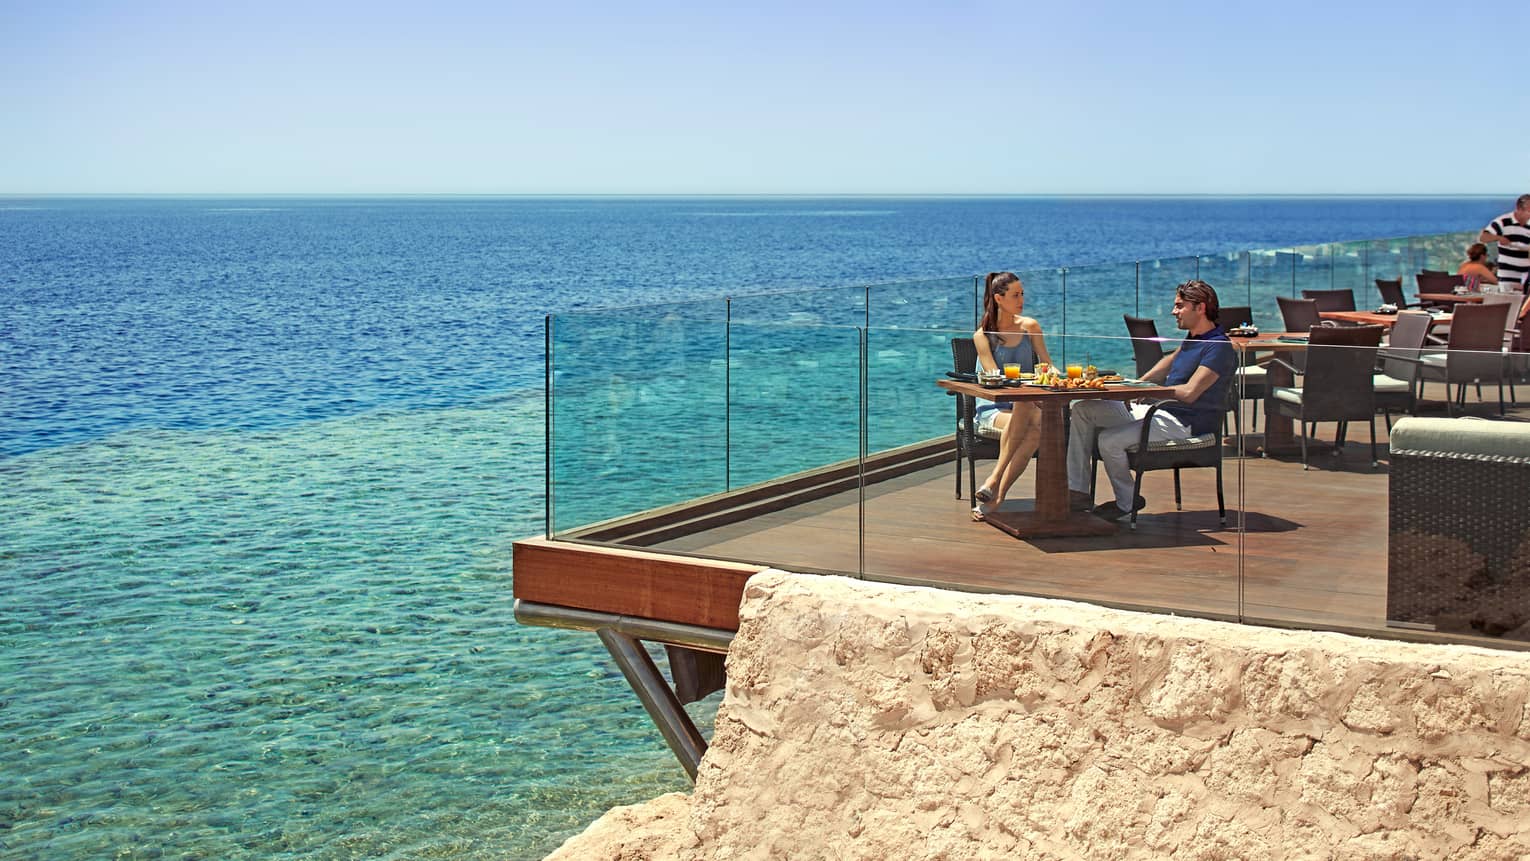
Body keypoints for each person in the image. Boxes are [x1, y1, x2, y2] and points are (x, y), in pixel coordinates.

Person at [1066, 279, 1235, 521]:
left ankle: (1127, 502)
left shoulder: (1217, 346)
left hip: (1185, 424)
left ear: (1200, 307)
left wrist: (1149, 391)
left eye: (1179, 306)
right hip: (1160, 412)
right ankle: (1077, 492)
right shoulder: (1193, 339)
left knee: (1109, 440)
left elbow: (1189, 393)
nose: (1173, 311)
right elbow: (1170, 360)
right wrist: (1137, 385)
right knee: (1084, 410)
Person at [970, 271, 1052, 521]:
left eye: (1022, 294)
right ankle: (998, 493)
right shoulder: (983, 336)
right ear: (998, 298)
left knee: (1028, 414)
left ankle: (994, 486)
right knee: (1034, 425)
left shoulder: (1030, 327)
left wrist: (1058, 375)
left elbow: (1047, 365)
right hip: (993, 409)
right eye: (1015, 295)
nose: (1021, 300)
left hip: (1024, 403)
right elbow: (993, 378)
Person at [1478, 195, 1530, 291]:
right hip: (1508, 273)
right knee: (1510, 301)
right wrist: (1499, 237)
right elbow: (1483, 237)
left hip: (1526, 274)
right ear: (1519, 209)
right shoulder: (1502, 221)